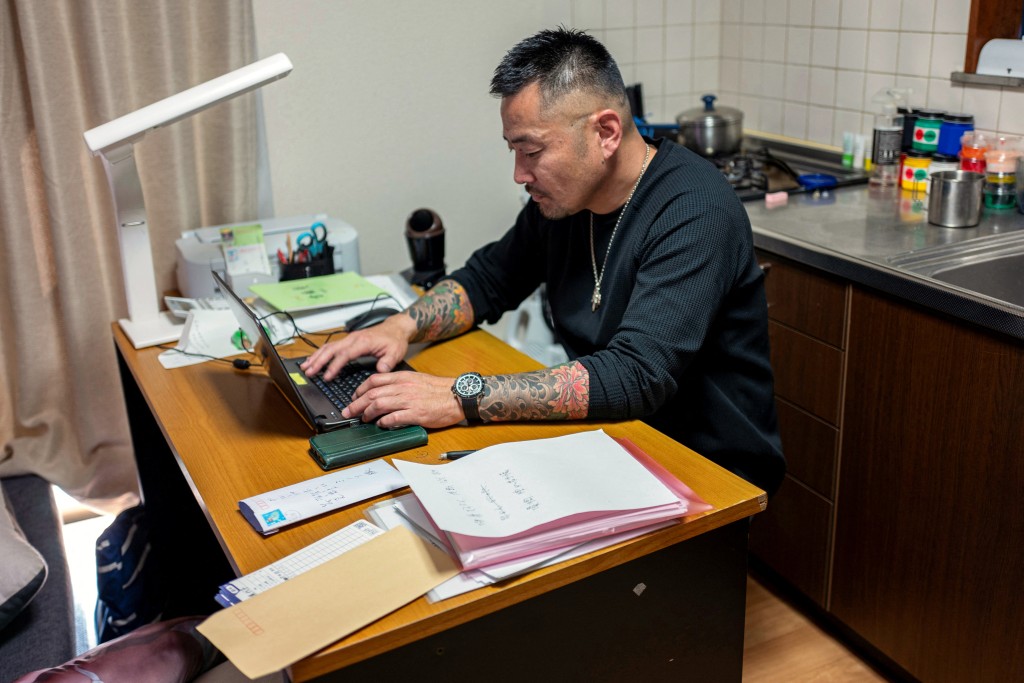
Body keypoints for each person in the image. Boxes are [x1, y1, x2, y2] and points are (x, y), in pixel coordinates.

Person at [301, 27, 785, 496]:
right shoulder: (562, 203)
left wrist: (459, 395)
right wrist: (400, 327)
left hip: (704, 466)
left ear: (606, 132)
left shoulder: (694, 209)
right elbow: (490, 278)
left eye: (531, 151)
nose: (519, 174)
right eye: (514, 151)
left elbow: (638, 374)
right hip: (617, 439)